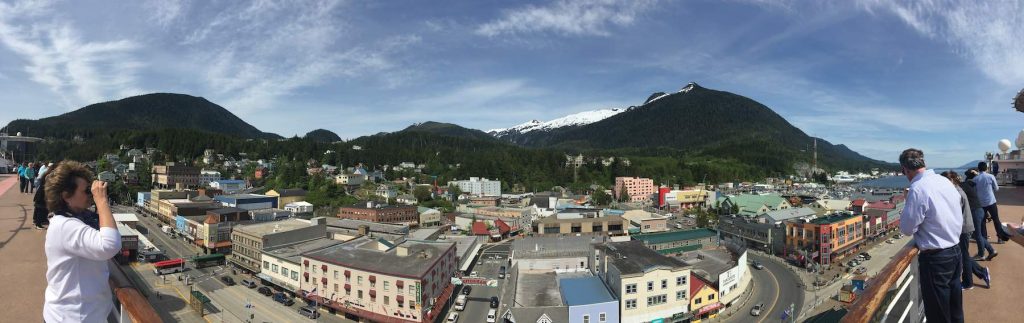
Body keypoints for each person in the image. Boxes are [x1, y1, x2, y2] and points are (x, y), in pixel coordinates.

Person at [43, 161, 121, 322]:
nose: (91, 195)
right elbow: (110, 245)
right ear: (66, 196)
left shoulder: (70, 221)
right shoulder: (65, 226)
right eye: (86, 191)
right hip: (73, 316)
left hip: (78, 314)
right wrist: (101, 201)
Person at [898, 149, 963, 323]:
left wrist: (907, 202)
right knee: (955, 309)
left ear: (905, 169)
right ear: (923, 163)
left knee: (938, 314)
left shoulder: (917, 189)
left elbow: (906, 228)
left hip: (936, 259)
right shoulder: (944, 181)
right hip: (956, 252)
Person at [941, 171, 990, 290]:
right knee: (963, 254)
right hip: (965, 226)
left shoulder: (955, 192)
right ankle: (981, 272)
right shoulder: (957, 189)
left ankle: (969, 283)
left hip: (963, 228)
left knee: (963, 255)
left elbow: (953, 213)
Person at [963, 169, 996, 260]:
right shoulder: (975, 185)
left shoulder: (965, 185)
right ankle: (991, 250)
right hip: (980, 210)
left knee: (977, 234)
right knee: (978, 234)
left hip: (975, 211)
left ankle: (981, 254)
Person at [974, 162, 1010, 243]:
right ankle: (1000, 238)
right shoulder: (991, 176)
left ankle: (984, 238)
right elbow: (996, 188)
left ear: (978, 169)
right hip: (991, 201)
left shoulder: (975, 179)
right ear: (986, 168)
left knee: (982, 221)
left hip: (981, 203)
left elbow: (975, 191)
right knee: (996, 219)